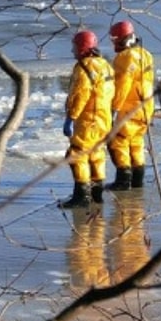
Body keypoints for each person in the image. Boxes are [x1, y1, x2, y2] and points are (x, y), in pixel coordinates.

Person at [61, 30, 115, 209]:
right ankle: (96, 193)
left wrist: (71, 117)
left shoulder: (84, 67)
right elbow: (112, 91)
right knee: (97, 154)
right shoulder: (105, 64)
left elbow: (81, 94)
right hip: (103, 119)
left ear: (82, 48)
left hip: (88, 120)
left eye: (75, 47)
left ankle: (82, 196)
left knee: (77, 154)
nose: (72, 51)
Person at [106, 20, 154, 190]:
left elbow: (123, 85)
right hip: (145, 107)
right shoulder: (145, 54)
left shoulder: (125, 57)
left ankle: (123, 181)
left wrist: (114, 108)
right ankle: (137, 181)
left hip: (128, 107)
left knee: (119, 142)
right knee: (136, 143)